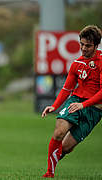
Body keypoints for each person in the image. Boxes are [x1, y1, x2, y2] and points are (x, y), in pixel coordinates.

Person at [41, 25, 102, 178]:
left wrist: (84, 105)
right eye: (81, 44)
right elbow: (67, 89)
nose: (83, 48)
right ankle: (49, 173)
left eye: (88, 45)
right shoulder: (77, 64)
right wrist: (54, 106)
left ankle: (54, 161)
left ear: (96, 45)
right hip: (75, 101)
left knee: (66, 148)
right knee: (59, 132)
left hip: (94, 109)